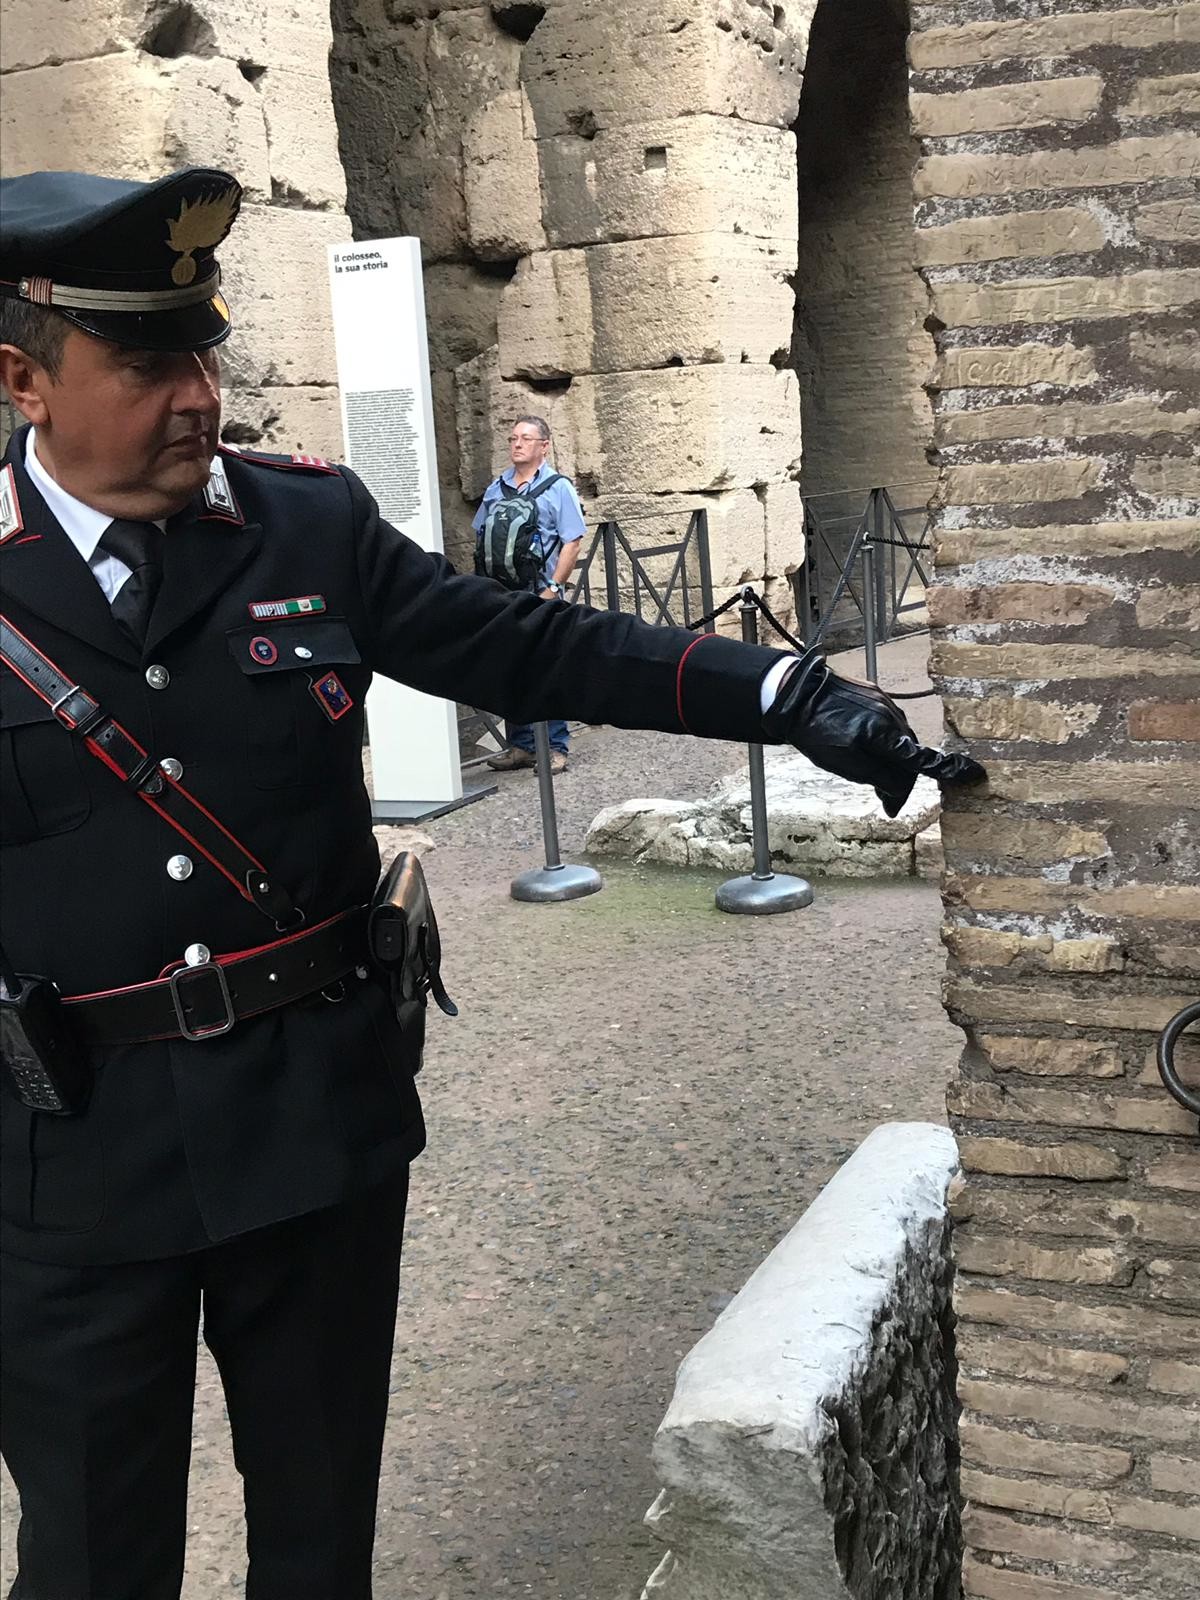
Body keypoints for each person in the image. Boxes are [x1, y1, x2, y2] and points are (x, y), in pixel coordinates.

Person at [0, 166, 984, 1600]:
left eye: (204, 350)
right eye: (147, 362)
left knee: (320, 1542)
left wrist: (784, 688)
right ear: (25, 378)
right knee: (91, 1560)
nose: (198, 393)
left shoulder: (304, 526)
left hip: (310, 1127)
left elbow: (532, 649)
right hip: (66, 1158)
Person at [474, 415, 584, 773]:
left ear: (544, 446)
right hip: (503, 593)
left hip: (541, 592)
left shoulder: (558, 487)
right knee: (510, 667)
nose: (516, 444)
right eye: (512, 438)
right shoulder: (497, 487)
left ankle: (554, 746)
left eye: (525, 438)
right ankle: (521, 745)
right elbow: (482, 533)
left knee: (548, 666)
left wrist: (555, 587)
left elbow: (572, 540)